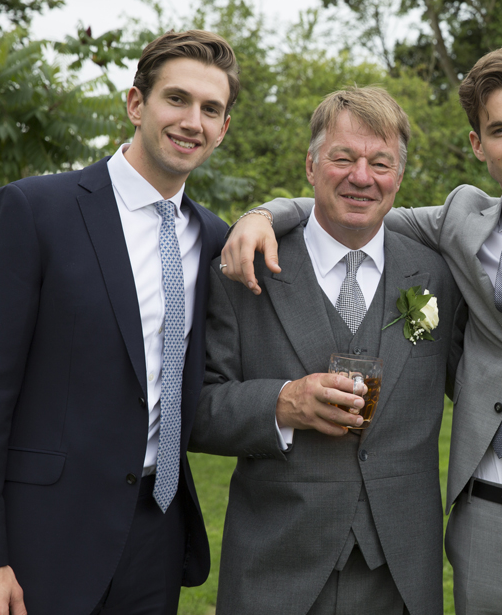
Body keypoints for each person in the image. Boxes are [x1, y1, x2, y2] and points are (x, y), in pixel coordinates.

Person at [224, 42, 502, 614]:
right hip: (481, 529)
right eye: (500, 129)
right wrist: (262, 214)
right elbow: (351, 205)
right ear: (477, 144)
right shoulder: (461, 223)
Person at [0, 30, 236, 615]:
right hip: (39, 540)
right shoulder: (34, 211)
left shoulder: (214, 239)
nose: (192, 121)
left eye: (211, 109)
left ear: (223, 129)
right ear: (136, 104)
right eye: (176, 99)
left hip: (155, 536)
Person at [189, 86, 462, 615]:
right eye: (343, 158)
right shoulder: (243, 267)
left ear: (398, 179)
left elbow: (483, 376)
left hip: (400, 574)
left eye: (380, 163)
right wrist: (282, 404)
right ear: (311, 166)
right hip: (278, 568)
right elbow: (196, 410)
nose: (362, 177)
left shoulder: (434, 275)